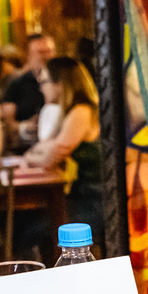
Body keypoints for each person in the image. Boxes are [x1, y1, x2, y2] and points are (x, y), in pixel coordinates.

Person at [23, 56, 103, 245]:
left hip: (95, 200)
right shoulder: (70, 111)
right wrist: (38, 152)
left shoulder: (81, 111)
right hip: (84, 195)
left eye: (44, 82)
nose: (41, 88)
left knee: (26, 232)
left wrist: (30, 157)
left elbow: (51, 156)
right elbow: (47, 146)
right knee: (26, 224)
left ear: (59, 84)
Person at [1, 33, 55, 146]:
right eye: (41, 52)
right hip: (27, 145)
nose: (47, 56)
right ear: (28, 56)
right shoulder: (17, 83)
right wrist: (24, 126)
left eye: (50, 51)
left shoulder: (62, 82)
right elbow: (7, 121)